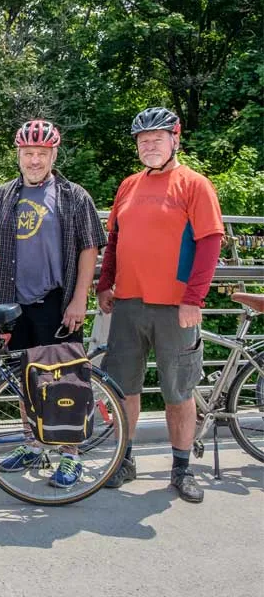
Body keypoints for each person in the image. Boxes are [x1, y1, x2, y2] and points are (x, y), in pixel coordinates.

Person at [97, 107, 223, 503]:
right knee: (123, 388)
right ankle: (124, 461)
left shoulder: (194, 184)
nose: (149, 145)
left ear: (174, 140)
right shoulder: (128, 185)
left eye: (156, 138)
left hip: (175, 307)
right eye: (143, 140)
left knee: (178, 392)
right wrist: (104, 284)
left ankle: (181, 469)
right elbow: (115, 241)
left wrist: (193, 299)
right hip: (128, 303)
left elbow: (210, 243)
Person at [0, 120, 107, 487]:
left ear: (53, 155)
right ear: (18, 155)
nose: (34, 160)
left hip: (56, 300)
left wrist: (79, 299)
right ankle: (33, 443)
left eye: (41, 153)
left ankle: (70, 454)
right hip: (14, 302)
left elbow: (89, 248)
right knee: (24, 378)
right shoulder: (3, 195)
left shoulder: (74, 196)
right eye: (28, 153)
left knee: (65, 380)